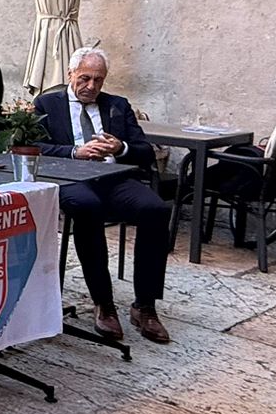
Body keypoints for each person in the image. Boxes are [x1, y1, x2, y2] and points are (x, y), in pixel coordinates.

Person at [37, 48, 174, 344]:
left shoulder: (117, 105)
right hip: (73, 177)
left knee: (156, 209)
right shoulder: (47, 104)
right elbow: (35, 148)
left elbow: (145, 151)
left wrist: (120, 148)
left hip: (113, 178)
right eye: (84, 78)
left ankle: (145, 305)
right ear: (70, 74)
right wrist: (75, 151)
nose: (91, 86)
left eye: (98, 80)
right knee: (88, 207)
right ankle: (103, 302)